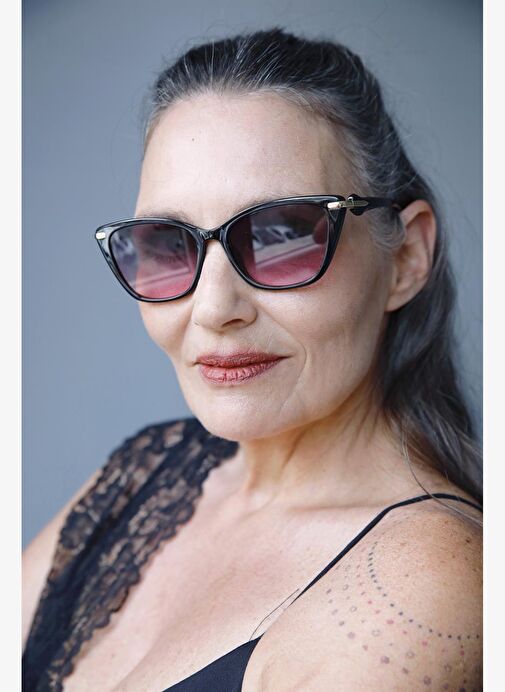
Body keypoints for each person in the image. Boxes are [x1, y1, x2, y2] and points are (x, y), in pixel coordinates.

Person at [22, 27, 483, 692]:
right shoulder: (143, 476)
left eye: (280, 235)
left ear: (406, 258)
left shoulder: (428, 579)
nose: (214, 308)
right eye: (168, 243)